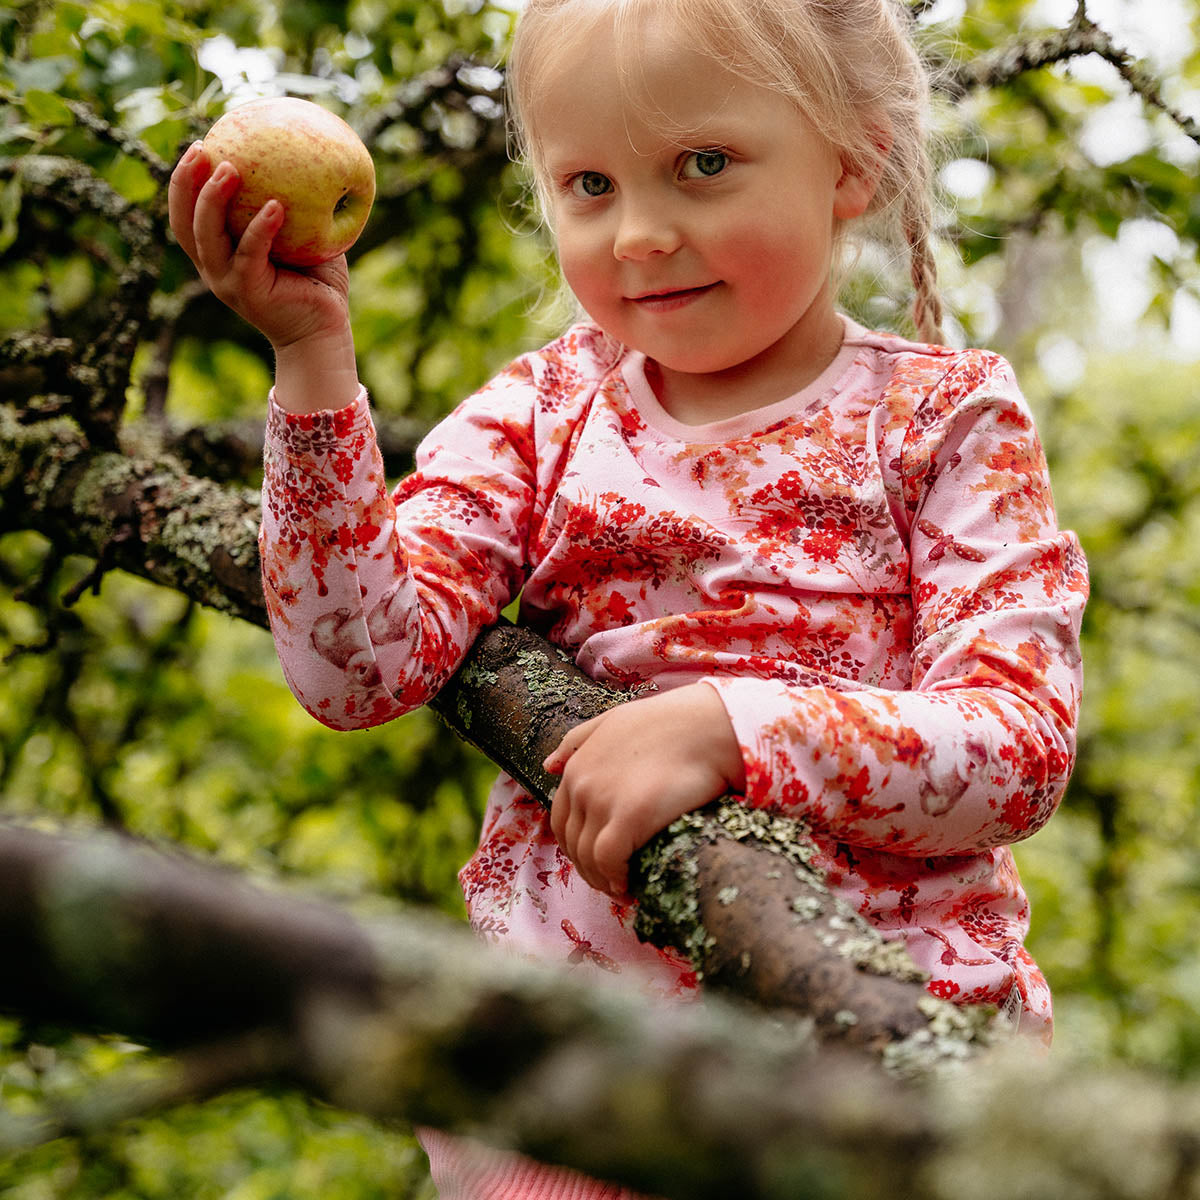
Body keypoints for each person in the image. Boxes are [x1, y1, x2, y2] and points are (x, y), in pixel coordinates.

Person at [169, 0, 1088, 1194]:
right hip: (580, 1088)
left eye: (702, 165)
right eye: (590, 184)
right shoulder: (541, 416)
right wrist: (311, 362)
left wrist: (731, 728)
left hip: (870, 1085)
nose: (642, 234)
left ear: (850, 164)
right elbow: (356, 669)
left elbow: (1017, 744)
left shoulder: (942, 421)